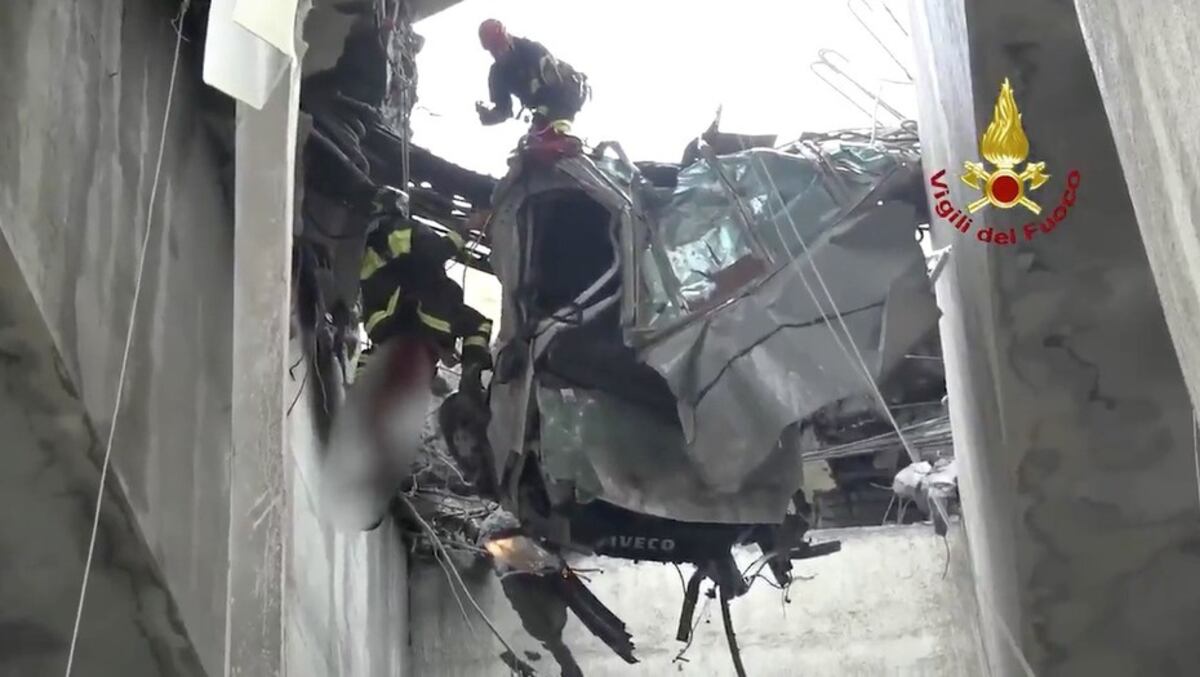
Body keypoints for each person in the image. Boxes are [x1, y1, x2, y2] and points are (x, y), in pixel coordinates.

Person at [474, 19, 590, 133]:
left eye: (500, 46)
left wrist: (542, 113)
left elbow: (555, 84)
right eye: (493, 50)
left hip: (570, 91)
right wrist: (490, 116)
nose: (498, 53)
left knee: (554, 136)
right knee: (532, 145)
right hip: (544, 109)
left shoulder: (533, 51)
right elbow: (504, 110)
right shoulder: (497, 73)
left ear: (508, 39)